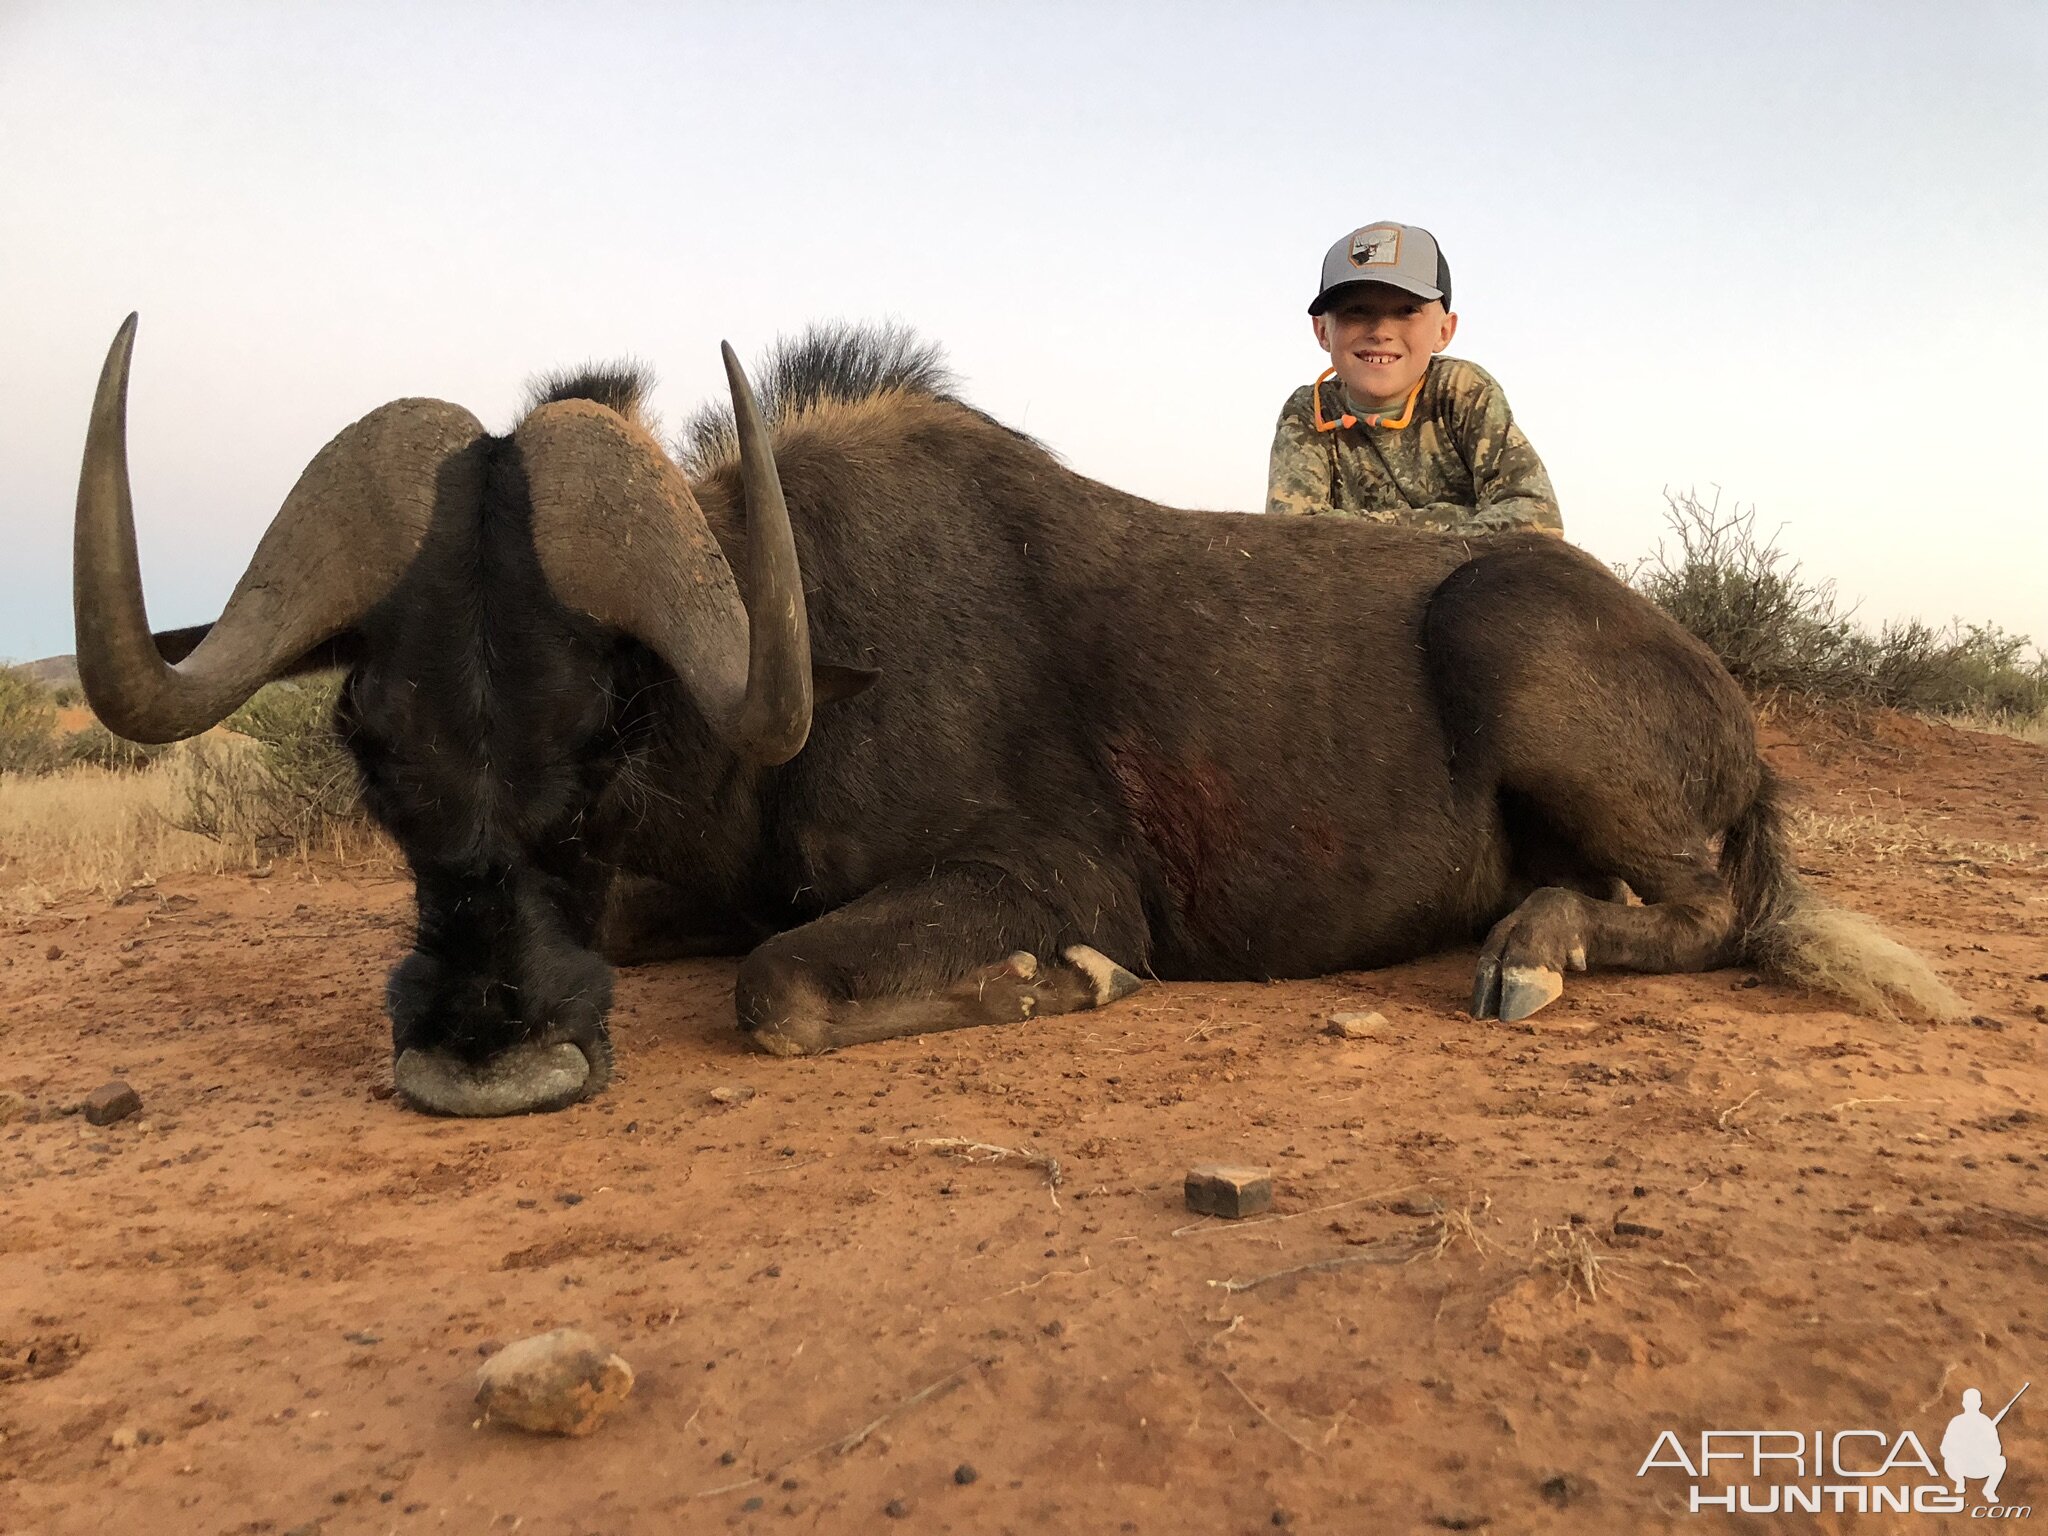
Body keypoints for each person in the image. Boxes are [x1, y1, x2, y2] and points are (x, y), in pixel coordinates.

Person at [1265, 221, 1562, 536]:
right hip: (1356, 583)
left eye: (1406, 311)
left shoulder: (1462, 391)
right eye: (1356, 311)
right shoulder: (1308, 412)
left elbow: (1536, 518)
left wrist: (1346, 529)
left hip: (1469, 580)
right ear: (1323, 331)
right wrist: (1463, 517)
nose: (1380, 331)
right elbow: (1293, 537)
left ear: (1444, 331)